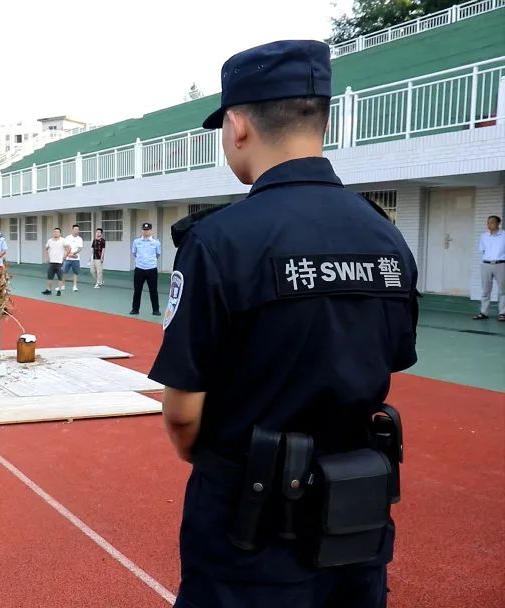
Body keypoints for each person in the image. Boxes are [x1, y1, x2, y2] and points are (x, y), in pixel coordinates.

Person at [149, 40, 418, 608]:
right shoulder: (384, 235)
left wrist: (225, 465)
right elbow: (390, 358)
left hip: (250, 522)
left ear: (239, 125)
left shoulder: (218, 241)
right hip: (354, 517)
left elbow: (181, 413)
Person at [473, 214, 504, 321]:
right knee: (485, 290)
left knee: (502, 290)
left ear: (498, 223)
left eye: (492, 222)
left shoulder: (504, 235)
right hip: (486, 264)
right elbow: (482, 250)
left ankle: (502, 313)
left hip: (501, 264)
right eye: (488, 222)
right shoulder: (484, 236)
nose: (489, 224)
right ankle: (483, 312)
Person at [130, 222, 162, 316]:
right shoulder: (136, 242)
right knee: (137, 290)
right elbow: (134, 253)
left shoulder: (156, 242)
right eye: (144, 230)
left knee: (153, 290)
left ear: (151, 231)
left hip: (151, 269)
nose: (146, 231)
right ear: (142, 230)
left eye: (148, 230)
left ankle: (156, 310)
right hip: (139, 269)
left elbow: (158, 254)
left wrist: (149, 262)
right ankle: (135, 309)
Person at [42, 227, 65, 296]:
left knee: (60, 277)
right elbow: (46, 249)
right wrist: (47, 257)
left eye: (57, 232)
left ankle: (59, 291)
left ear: (60, 233)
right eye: (54, 232)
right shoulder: (50, 241)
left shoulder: (63, 240)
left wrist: (65, 256)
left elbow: (68, 248)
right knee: (49, 277)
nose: (55, 233)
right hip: (52, 262)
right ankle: (48, 290)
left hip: (59, 262)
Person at [62, 224, 84, 291]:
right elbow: (65, 246)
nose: (76, 230)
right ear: (72, 230)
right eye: (75, 229)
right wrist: (68, 254)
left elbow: (80, 248)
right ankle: (62, 286)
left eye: (77, 229)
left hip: (76, 258)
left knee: (75, 273)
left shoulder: (80, 239)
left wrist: (74, 253)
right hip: (68, 258)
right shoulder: (68, 237)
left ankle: (75, 286)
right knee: (64, 272)